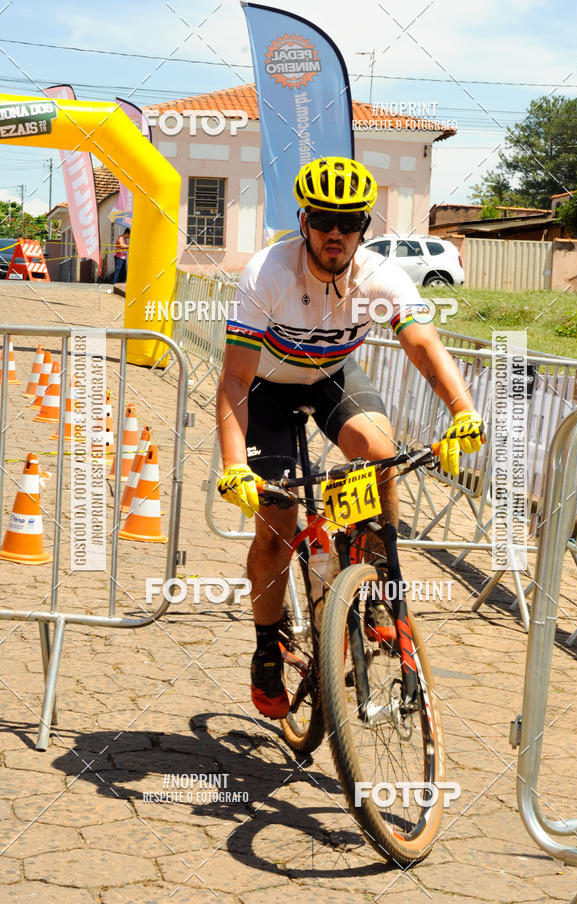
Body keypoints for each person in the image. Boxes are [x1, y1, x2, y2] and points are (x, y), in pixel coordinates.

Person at [216, 156, 484, 719]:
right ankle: (268, 646)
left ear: (365, 227)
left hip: (333, 377)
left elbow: (425, 347)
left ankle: (375, 576)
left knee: (381, 453)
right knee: (277, 528)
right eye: (323, 219)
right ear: (304, 220)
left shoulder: (380, 276)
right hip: (265, 388)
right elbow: (235, 376)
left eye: (350, 222)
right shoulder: (268, 273)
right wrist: (234, 463)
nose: (335, 233)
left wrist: (463, 410)